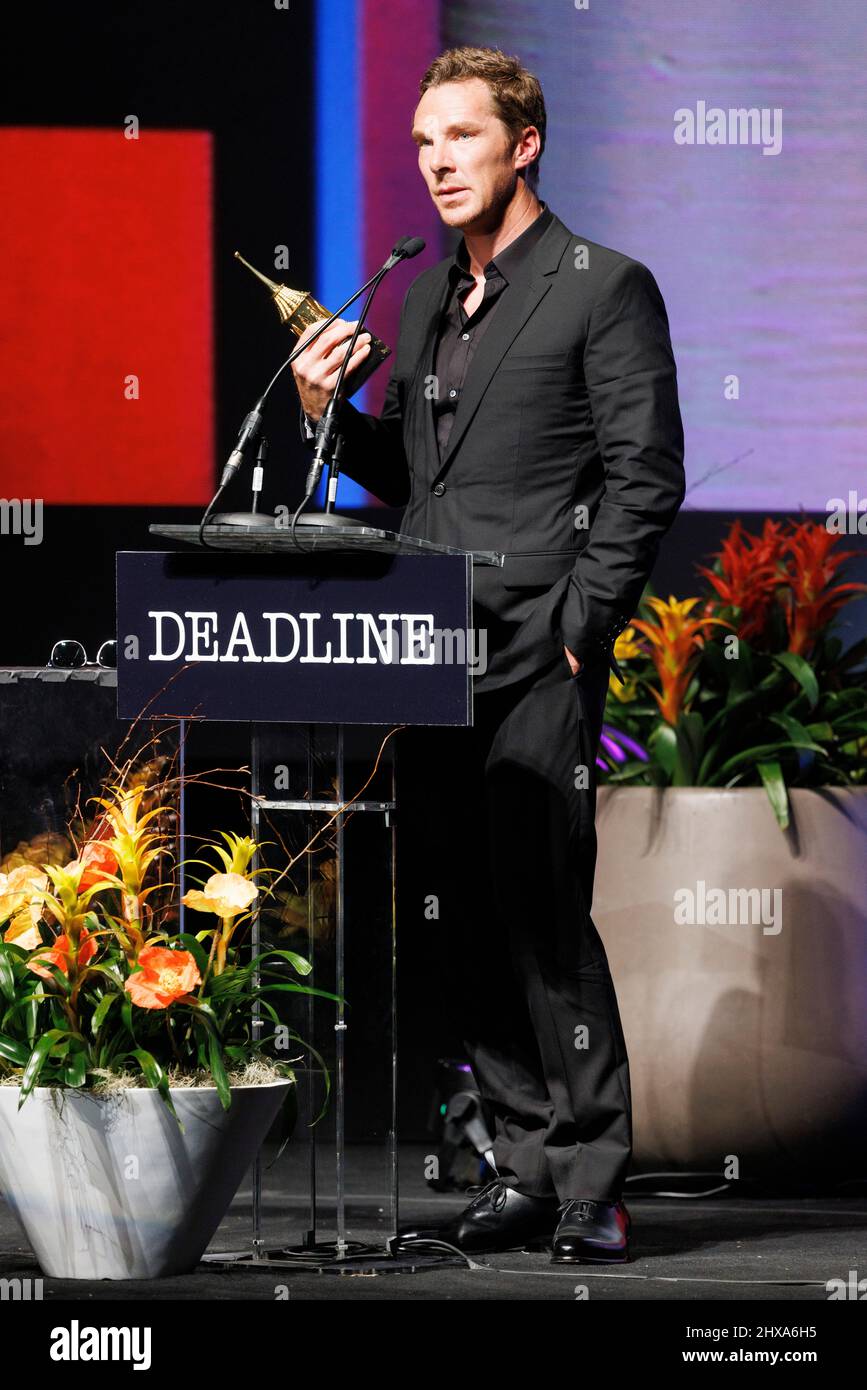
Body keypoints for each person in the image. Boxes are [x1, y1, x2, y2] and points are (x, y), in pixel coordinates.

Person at [291, 45, 685, 1263]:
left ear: (525, 145)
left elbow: (644, 477)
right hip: (426, 652)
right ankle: (518, 1161)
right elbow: (417, 480)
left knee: (544, 923)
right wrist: (328, 421)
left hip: (534, 658)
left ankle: (591, 1178)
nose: (436, 162)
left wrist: (580, 635)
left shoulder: (601, 286)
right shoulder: (421, 301)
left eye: (460, 136)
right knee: (458, 924)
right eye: (421, 143)